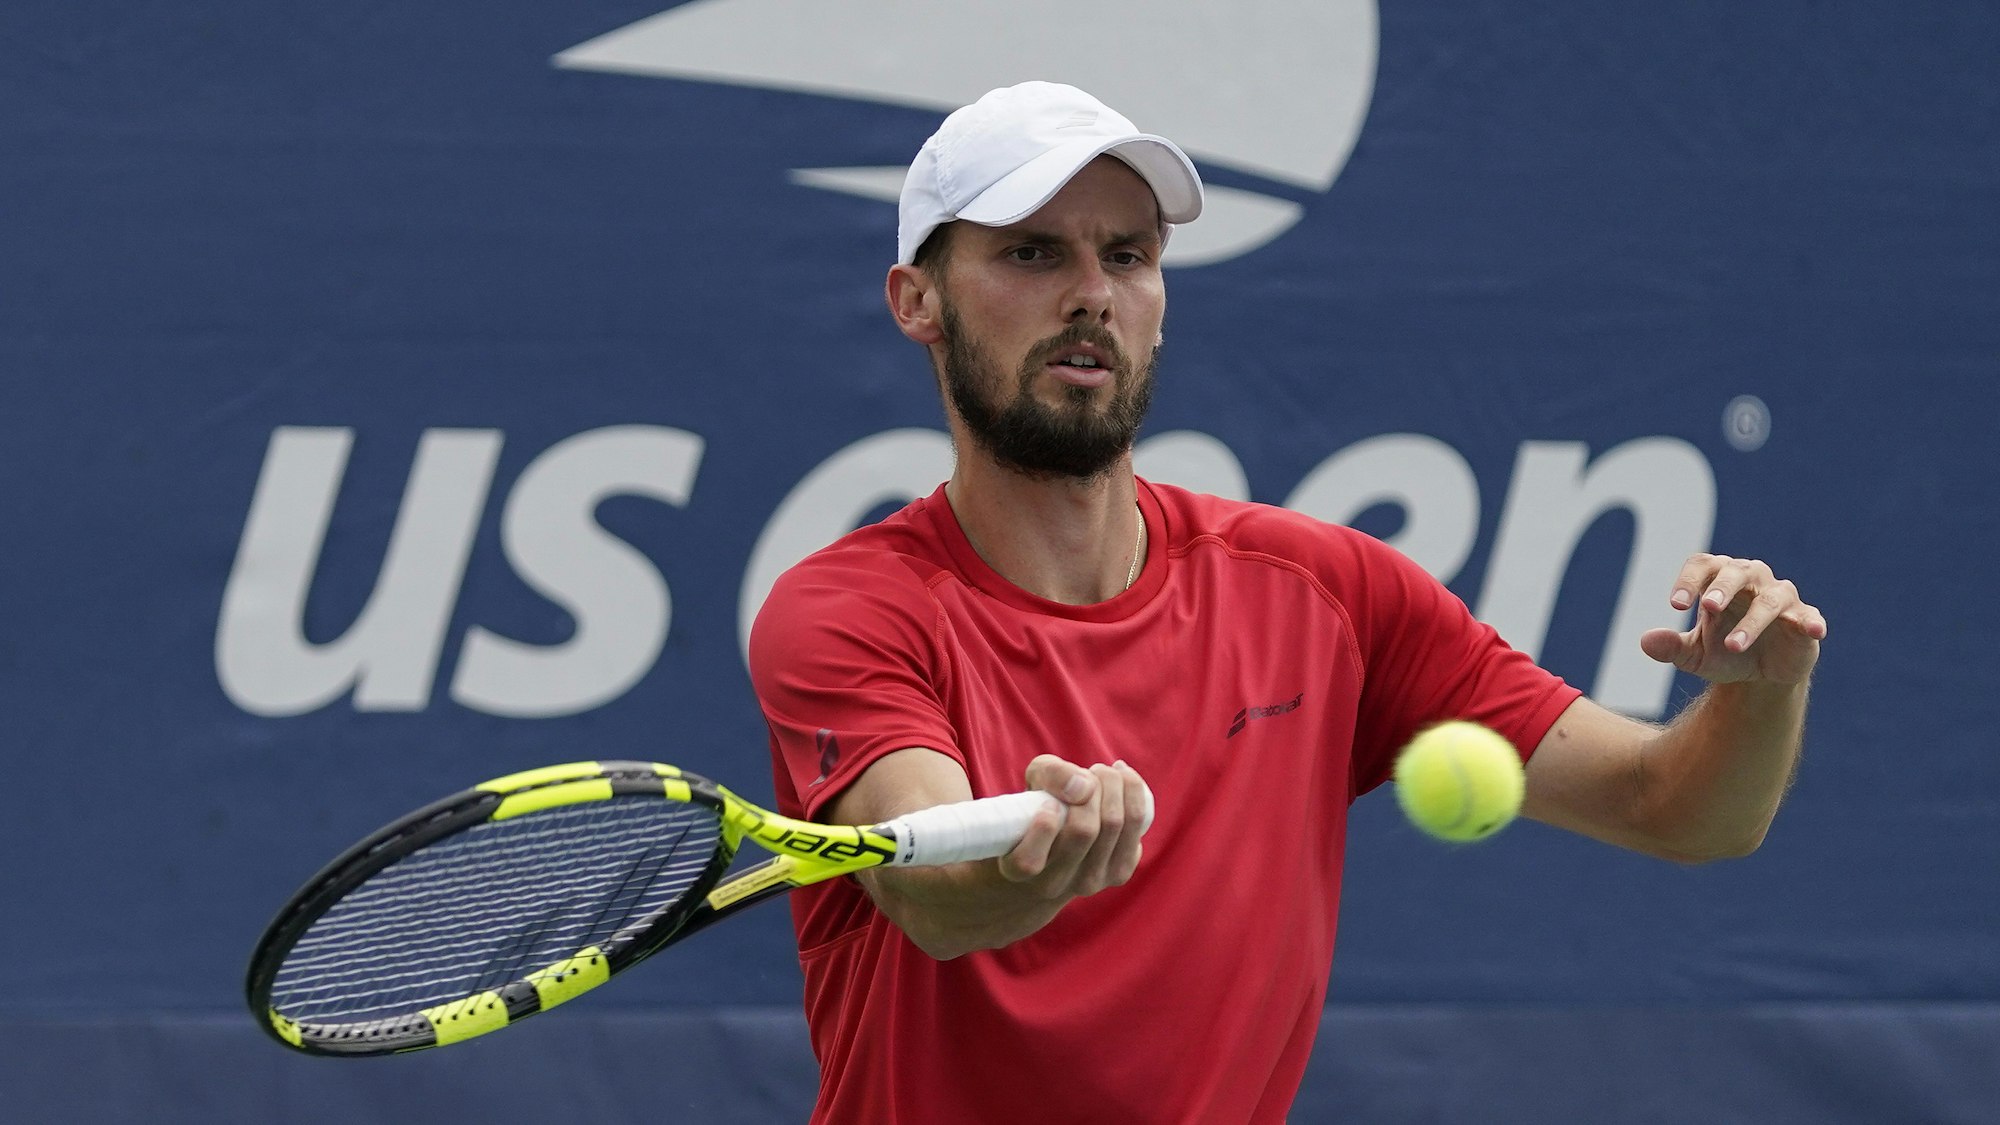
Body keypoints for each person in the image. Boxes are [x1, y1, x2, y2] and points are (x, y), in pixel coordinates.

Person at [748, 80, 1826, 1124]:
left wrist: (1761, 691)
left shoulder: (1330, 596)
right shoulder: (846, 611)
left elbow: (1671, 807)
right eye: (1031, 252)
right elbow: (932, 891)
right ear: (916, 301)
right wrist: (1043, 866)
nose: (1090, 293)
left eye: (1126, 256)